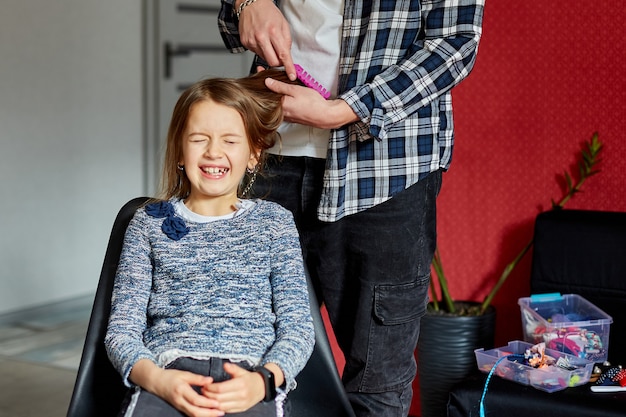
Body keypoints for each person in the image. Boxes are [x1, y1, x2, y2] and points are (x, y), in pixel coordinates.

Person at [218, 1, 485, 417]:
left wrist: (343, 111)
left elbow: (455, 42)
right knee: (251, 359)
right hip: (272, 151)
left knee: (376, 380)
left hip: (385, 167)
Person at [104, 70, 315, 417]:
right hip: (167, 376)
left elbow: (298, 329)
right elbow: (122, 331)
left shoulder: (275, 224)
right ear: (180, 152)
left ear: (253, 154)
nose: (214, 152)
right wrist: (157, 381)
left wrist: (263, 381)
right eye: (199, 138)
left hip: (250, 379)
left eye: (230, 141)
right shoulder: (147, 224)